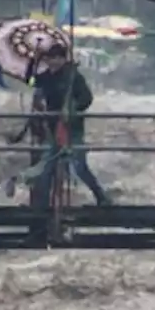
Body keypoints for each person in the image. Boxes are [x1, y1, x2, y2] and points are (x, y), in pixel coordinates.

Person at [29, 43, 111, 207]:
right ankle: (42, 206)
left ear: (63, 59)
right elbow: (31, 82)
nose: (54, 62)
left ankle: (101, 197)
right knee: (46, 168)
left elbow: (87, 98)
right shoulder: (45, 77)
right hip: (52, 128)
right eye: (51, 58)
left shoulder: (72, 76)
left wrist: (73, 109)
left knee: (79, 166)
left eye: (58, 58)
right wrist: (34, 62)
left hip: (72, 128)